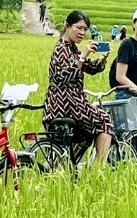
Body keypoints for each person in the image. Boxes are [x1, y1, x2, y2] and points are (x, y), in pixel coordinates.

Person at [44, 10, 115, 162]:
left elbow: (91, 68)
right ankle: (99, 168)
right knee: (104, 120)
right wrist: (83, 56)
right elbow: (64, 75)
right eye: (79, 28)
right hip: (66, 104)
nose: (82, 32)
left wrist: (102, 59)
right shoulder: (61, 49)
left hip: (70, 104)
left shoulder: (73, 50)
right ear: (67, 26)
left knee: (85, 135)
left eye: (85, 29)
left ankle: (65, 165)